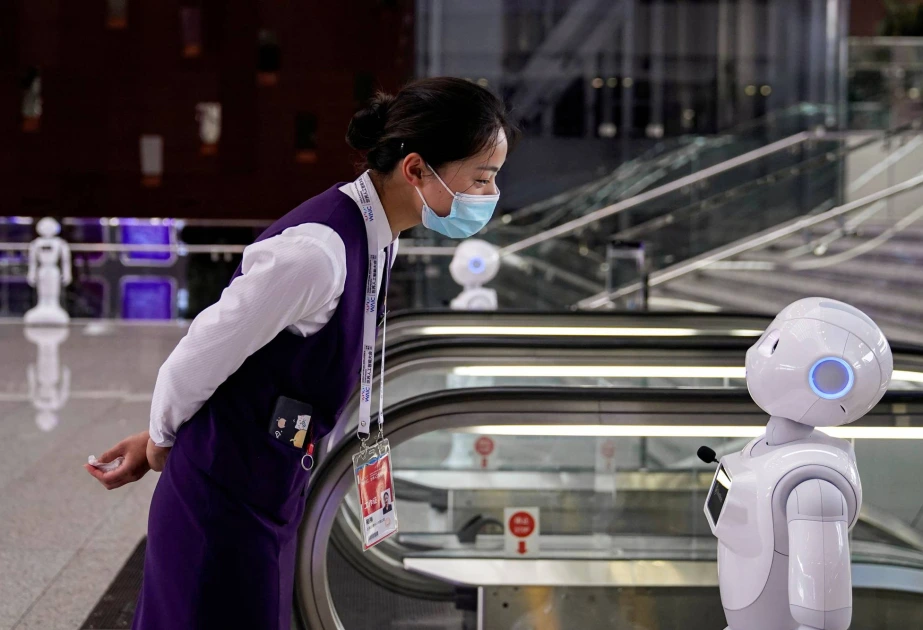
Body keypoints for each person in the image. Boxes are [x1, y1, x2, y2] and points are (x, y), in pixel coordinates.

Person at [84, 77, 518, 630]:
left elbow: (249, 367)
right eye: (481, 178)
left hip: (269, 485)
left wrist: (162, 435)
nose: (490, 194)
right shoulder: (318, 253)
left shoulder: (378, 237)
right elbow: (194, 358)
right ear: (415, 169)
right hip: (222, 500)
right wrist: (162, 440)